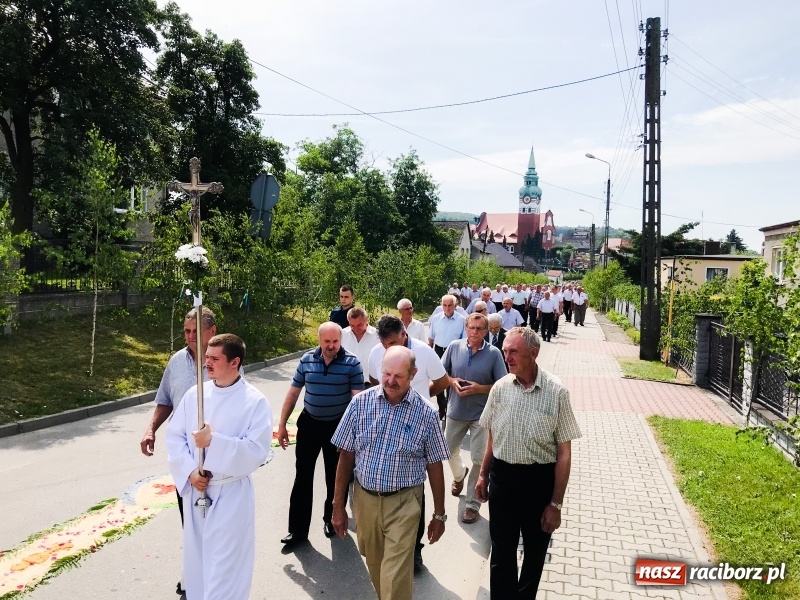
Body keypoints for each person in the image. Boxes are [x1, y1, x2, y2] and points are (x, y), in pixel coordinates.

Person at [331, 346, 450, 600]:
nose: (390, 381)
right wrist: (337, 504)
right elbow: (346, 455)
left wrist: (439, 514)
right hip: (365, 500)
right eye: (386, 374)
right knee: (375, 565)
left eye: (398, 376)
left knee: (395, 575)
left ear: (413, 374)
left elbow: (435, 466)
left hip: (404, 503)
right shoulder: (360, 404)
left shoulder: (426, 414)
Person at [475, 327, 581, 599]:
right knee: (501, 551)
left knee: (534, 554)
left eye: (513, 352)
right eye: (505, 350)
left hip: (538, 482)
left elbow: (564, 454)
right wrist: (483, 475)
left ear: (534, 354)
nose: (507, 357)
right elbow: (492, 435)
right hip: (503, 479)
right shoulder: (500, 388)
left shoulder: (556, 392)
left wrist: (555, 504)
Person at [166, 334, 272, 600]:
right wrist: (190, 470)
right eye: (206, 357)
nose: (206, 363)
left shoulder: (254, 401)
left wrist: (214, 442)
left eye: (214, 358)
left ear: (235, 361)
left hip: (231, 496)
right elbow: (174, 435)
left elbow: (256, 451)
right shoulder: (196, 395)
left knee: (225, 567)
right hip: (197, 492)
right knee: (198, 562)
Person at [140, 307, 216, 598]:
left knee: (214, 520)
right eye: (186, 331)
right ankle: (193, 573)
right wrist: (151, 429)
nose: (189, 336)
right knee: (190, 518)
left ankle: (213, 576)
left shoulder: (224, 360)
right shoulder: (176, 361)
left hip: (215, 457)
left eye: (195, 331)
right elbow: (164, 400)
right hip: (184, 458)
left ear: (211, 330)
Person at [368, 315, 450, 569]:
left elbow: (444, 381)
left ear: (404, 334)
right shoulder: (375, 352)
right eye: (385, 345)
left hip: (416, 423)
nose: (389, 349)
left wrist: (423, 397)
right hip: (385, 423)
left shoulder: (425, 353)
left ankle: (415, 549)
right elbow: (374, 381)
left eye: (393, 342)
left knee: (415, 488)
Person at [277, 322, 364, 546]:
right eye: (327, 342)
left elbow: (357, 400)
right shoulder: (307, 360)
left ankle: (331, 519)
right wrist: (283, 423)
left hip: (338, 427)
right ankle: (297, 531)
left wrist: (354, 434)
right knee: (302, 477)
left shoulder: (352, 363)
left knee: (335, 478)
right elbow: (293, 392)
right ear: (319, 340)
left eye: (335, 341)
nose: (331, 346)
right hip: (309, 424)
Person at [441, 313, 507, 524]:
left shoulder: (494, 353)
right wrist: (452, 382)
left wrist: (480, 389)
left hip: (482, 415)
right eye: (471, 327)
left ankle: (472, 505)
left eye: (479, 329)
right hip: (456, 411)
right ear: (466, 327)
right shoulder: (454, 347)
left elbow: (503, 385)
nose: (475, 332)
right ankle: (459, 475)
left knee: (479, 459)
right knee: (447, 451)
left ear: (486, 331)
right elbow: (442, 374)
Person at [428, 295, 466, 418]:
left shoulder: (461, 320)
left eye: (450, 305)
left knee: (451, 380)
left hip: (454, 352)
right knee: (438, 379)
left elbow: (464, 340)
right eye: (444, 305)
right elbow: (431, 338)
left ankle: (450, 409)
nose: (447, 308)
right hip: (438, 350)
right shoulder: (436, 319)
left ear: (455, 306)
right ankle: (441, 407)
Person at [341, 307, 380, 386]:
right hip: (346, 384)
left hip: (370, 385)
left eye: (359, 325)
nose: (356, 328)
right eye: (352, 325)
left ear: (366, 320)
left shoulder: (378, 336)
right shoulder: (341, 335)